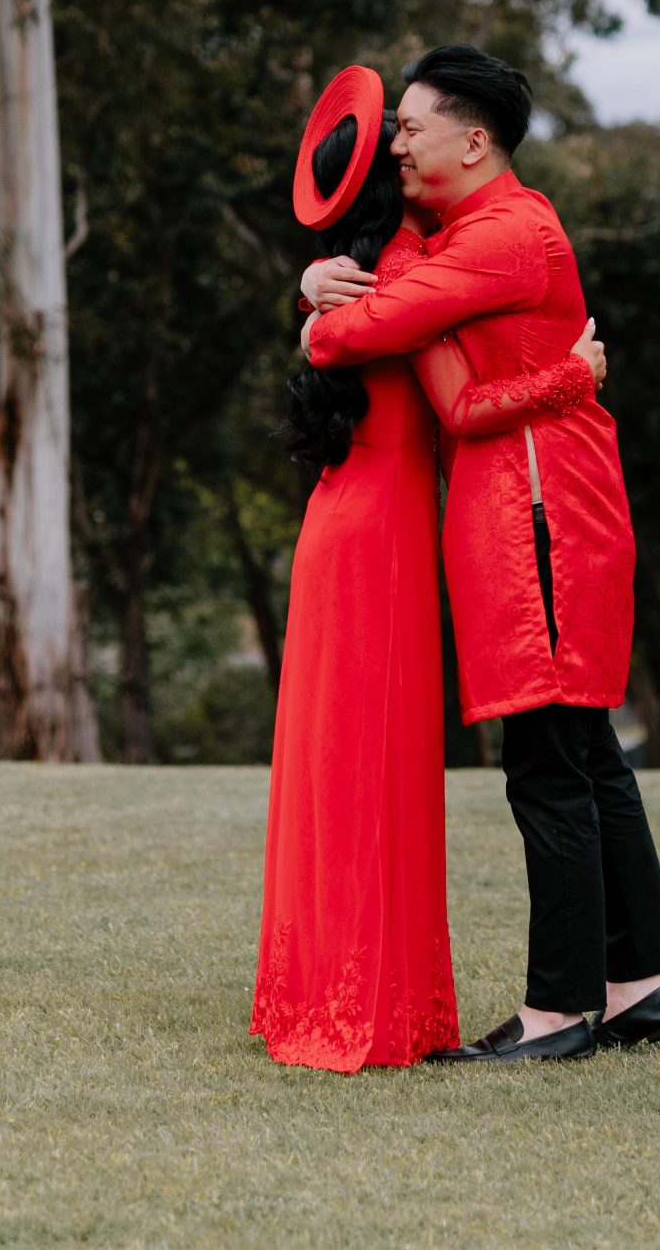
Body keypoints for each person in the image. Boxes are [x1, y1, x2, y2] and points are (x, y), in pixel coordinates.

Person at [302, 44, 660, 1064]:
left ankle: (561, 1010)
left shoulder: (507, 235)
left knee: (549, 765)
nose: (396, 140)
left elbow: (365, 327)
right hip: (542, 505)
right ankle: (637, 983)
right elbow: (394, 311)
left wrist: (314, 326)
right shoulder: (473, 230)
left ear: (472, 138)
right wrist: (310, 277)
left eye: (412, 125)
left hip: (540, 517)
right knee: (585, 749)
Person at [253, 66, 604, 1073]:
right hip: (385, 535)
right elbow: (452, 405)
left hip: (339, 522)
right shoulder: (409, 270)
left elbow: (344, 337)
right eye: (394, 141)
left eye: (412, 131)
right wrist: (574, 375)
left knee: (334, 758)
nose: (402, 149)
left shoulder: (367, 266)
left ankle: (323, 984)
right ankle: (374, 998)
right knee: (371, 764)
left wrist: (309, 292)